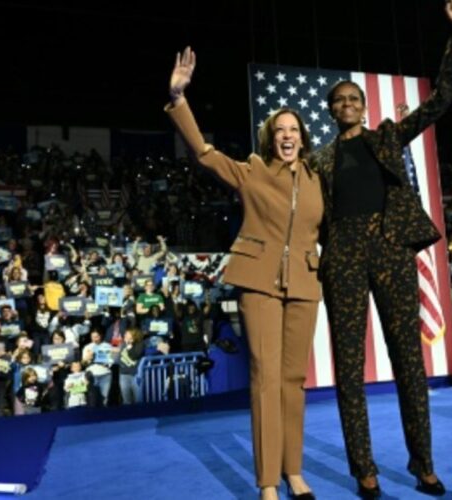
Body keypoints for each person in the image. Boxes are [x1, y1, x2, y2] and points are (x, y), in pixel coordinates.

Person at [309, 1, 452, 496]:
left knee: (408, 362)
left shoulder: (388, 137)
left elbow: (441, 99)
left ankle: (424, 465)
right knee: (350, 369)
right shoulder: (318, 159)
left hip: (391, 248)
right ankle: (365, 470)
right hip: (343, 255)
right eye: (338, 101)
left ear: (364, 104)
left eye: (353, 98)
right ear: (331, 110)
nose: (347, 105)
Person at [166, 46, 323, 500]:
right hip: (258, 282)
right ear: (269, 136)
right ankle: (268, 482)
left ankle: (294, 472)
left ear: (303, 136)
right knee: (265, 377)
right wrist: (179, 97)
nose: (287, 136)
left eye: (294, 130)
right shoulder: (252, 170)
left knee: (294, 381)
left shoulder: (318, 179)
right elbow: (203, 152)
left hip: (305, 283)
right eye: (280, 130)